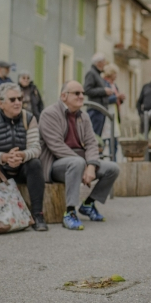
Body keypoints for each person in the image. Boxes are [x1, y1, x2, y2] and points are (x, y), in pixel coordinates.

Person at [38, 80, 120, 231]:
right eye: (77, 93)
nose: (82, 96)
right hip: (55, 165)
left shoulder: (84, 116)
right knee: (76, 162)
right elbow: (56, 146)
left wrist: (91, 165)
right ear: (63, 96)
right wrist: (83, 165)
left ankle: (88, 204)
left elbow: (91, 143)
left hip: (80, 163)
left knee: (112, 168)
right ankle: (69, 213)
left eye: (82, 93)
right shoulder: (49, 114)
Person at [0, 82, 47, 234]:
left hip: (22, 168)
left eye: (20, 99)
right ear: (0, 103)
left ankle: (38, 215)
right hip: (1, 171)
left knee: (35, 163)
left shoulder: (29, 118)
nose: (18, 102)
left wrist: (22, 155)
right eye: (12, 99)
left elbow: (36, 148)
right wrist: (5, 157)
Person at [83, 53, 112, 136]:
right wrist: (104, 91)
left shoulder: (97, 74)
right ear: (98, 62)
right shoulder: (91, 73)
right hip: (95, 110)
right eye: (103, 62)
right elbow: (87, 90)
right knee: (94, 136)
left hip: (100, 110)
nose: (105, 64)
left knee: (97, 136)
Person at [101, 63, 125, 158]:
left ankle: (113, 159)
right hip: (106, 114)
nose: (116, 76)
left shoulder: (114, 85)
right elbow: (105, 100)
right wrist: (117, 97)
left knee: (114, 140)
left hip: (114, 113)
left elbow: (116, 99)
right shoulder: (104, 83)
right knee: (104, 139)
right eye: (115, 73)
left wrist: (120, 98)